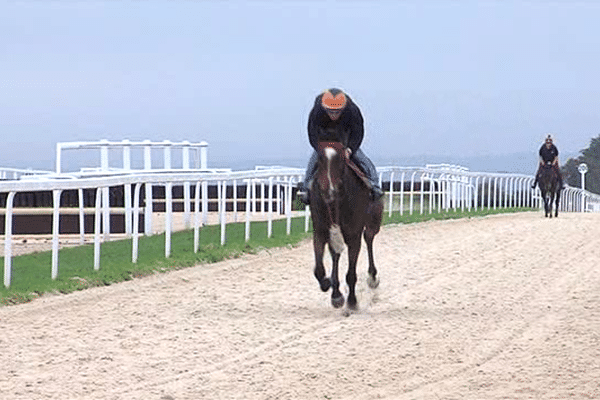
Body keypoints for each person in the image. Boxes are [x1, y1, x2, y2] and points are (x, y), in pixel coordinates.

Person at [297, 88, 384, 205]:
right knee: (313, 161)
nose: (334, 114)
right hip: (325, 139)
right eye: (330, 111)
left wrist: (351, 148)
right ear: (324, 108)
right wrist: (319, 149)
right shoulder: (317, 110)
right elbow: (312, 132)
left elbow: (358, 132)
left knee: (362, 159)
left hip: (345, 138)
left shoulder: (352, 110)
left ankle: (374, 185)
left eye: (337, 111)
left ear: (343, 108)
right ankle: (306, 188)